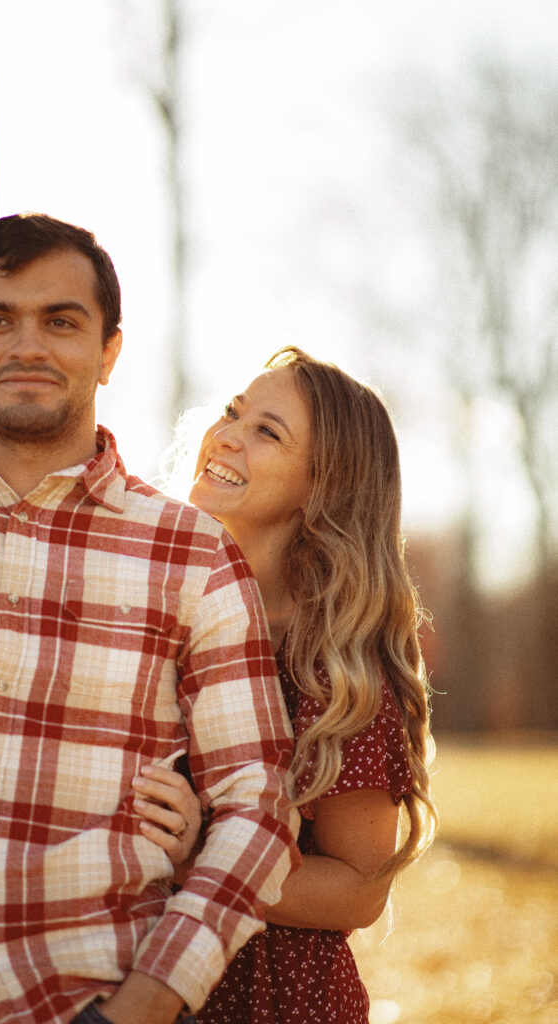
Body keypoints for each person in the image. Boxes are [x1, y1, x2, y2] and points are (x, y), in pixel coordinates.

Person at [0, 214, 301, 1024]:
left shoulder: (191, 554)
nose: (27, 346)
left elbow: (257, 805)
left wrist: (145, 1003)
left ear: (108, 351)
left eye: (61, 321)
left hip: (97, 1000)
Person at [133, 346, 438, 1023]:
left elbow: (358, 892)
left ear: (323, 485)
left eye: (266, 431)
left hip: (265, 996)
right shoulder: (156, 607)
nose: (226, 434)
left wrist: (198, 864)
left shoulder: (334, 669)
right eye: (232, 412)